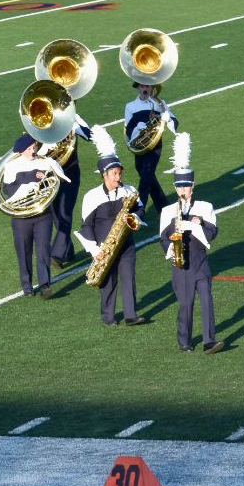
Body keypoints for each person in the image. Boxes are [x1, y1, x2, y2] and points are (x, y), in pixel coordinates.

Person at [75, 126, 148, 327]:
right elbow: (86, 227)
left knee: (128, 277)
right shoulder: (92, 196)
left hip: (126, 243)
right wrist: (94, 251)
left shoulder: (129, 190)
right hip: (103, 247)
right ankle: (108, 316)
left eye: (119, 173)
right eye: (114, 174)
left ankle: (131, 314)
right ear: (104, 175)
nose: (119, 177)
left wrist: (135, 217)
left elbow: (142, 210)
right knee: (108, 282)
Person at [159, 133, 222, 354]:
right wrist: (173, 229)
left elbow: (212, 233)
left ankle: (209, 340)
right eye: (179, 186)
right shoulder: (168, 211)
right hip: (180, 265)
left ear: (192, 186)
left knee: (207, 300)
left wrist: (197, 224)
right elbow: (162, 239)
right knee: (185, 305)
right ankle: (184, 340)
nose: (182, 190)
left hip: (200, 261)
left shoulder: (205, 207)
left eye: (185, 186)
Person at [2, 135, 67, 298]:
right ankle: (27, 286)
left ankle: (45, 285)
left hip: (42, 214)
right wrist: (31, 177)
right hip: (21, 216)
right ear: (21, 150)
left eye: (34, 147)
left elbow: (54, 184)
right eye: (29, 148)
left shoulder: (45, 162)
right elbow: (9, 191)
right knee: (24, 252)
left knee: (43, 250)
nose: (33, 151)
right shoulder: (12, 166)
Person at [48, 115, 94, 269]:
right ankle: (68, 250)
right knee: (55, 213)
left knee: (64, 212)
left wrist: (75, 122)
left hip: (69, 173)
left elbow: (89, 135)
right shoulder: (44, 120)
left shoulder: (73, 119)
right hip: (50, 176)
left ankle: (57, 255)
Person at [124, 81, 175, 217]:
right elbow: (128, 130)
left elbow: (175, 122)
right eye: (142, 86)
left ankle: (139, 210)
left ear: (152, 88)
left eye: (147, 86)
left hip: (155, 145)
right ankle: (165, 209)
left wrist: (164, 117)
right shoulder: (131, 106)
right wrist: (139, 128)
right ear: (138, 88)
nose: (145, 88)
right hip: (139, 145)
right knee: (145, 174)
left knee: (147, 173)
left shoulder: (160, 104)